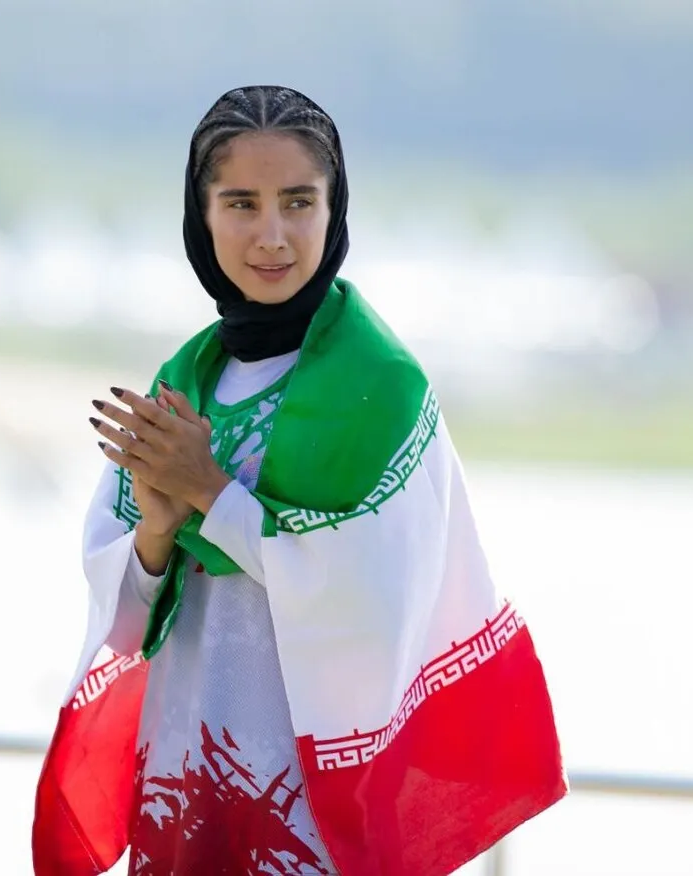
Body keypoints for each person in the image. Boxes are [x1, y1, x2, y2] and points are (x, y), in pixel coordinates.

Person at [33, 85, 567, 876]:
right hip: (186, 778)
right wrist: (156, 531)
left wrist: (212, 494)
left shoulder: (382, 389)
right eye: (241, 204)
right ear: (200, 216)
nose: (272, 235)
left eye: (298, 202)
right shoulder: (183, 382)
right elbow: (123, 619)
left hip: (311, 806)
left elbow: (376, 604)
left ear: (333, 209)